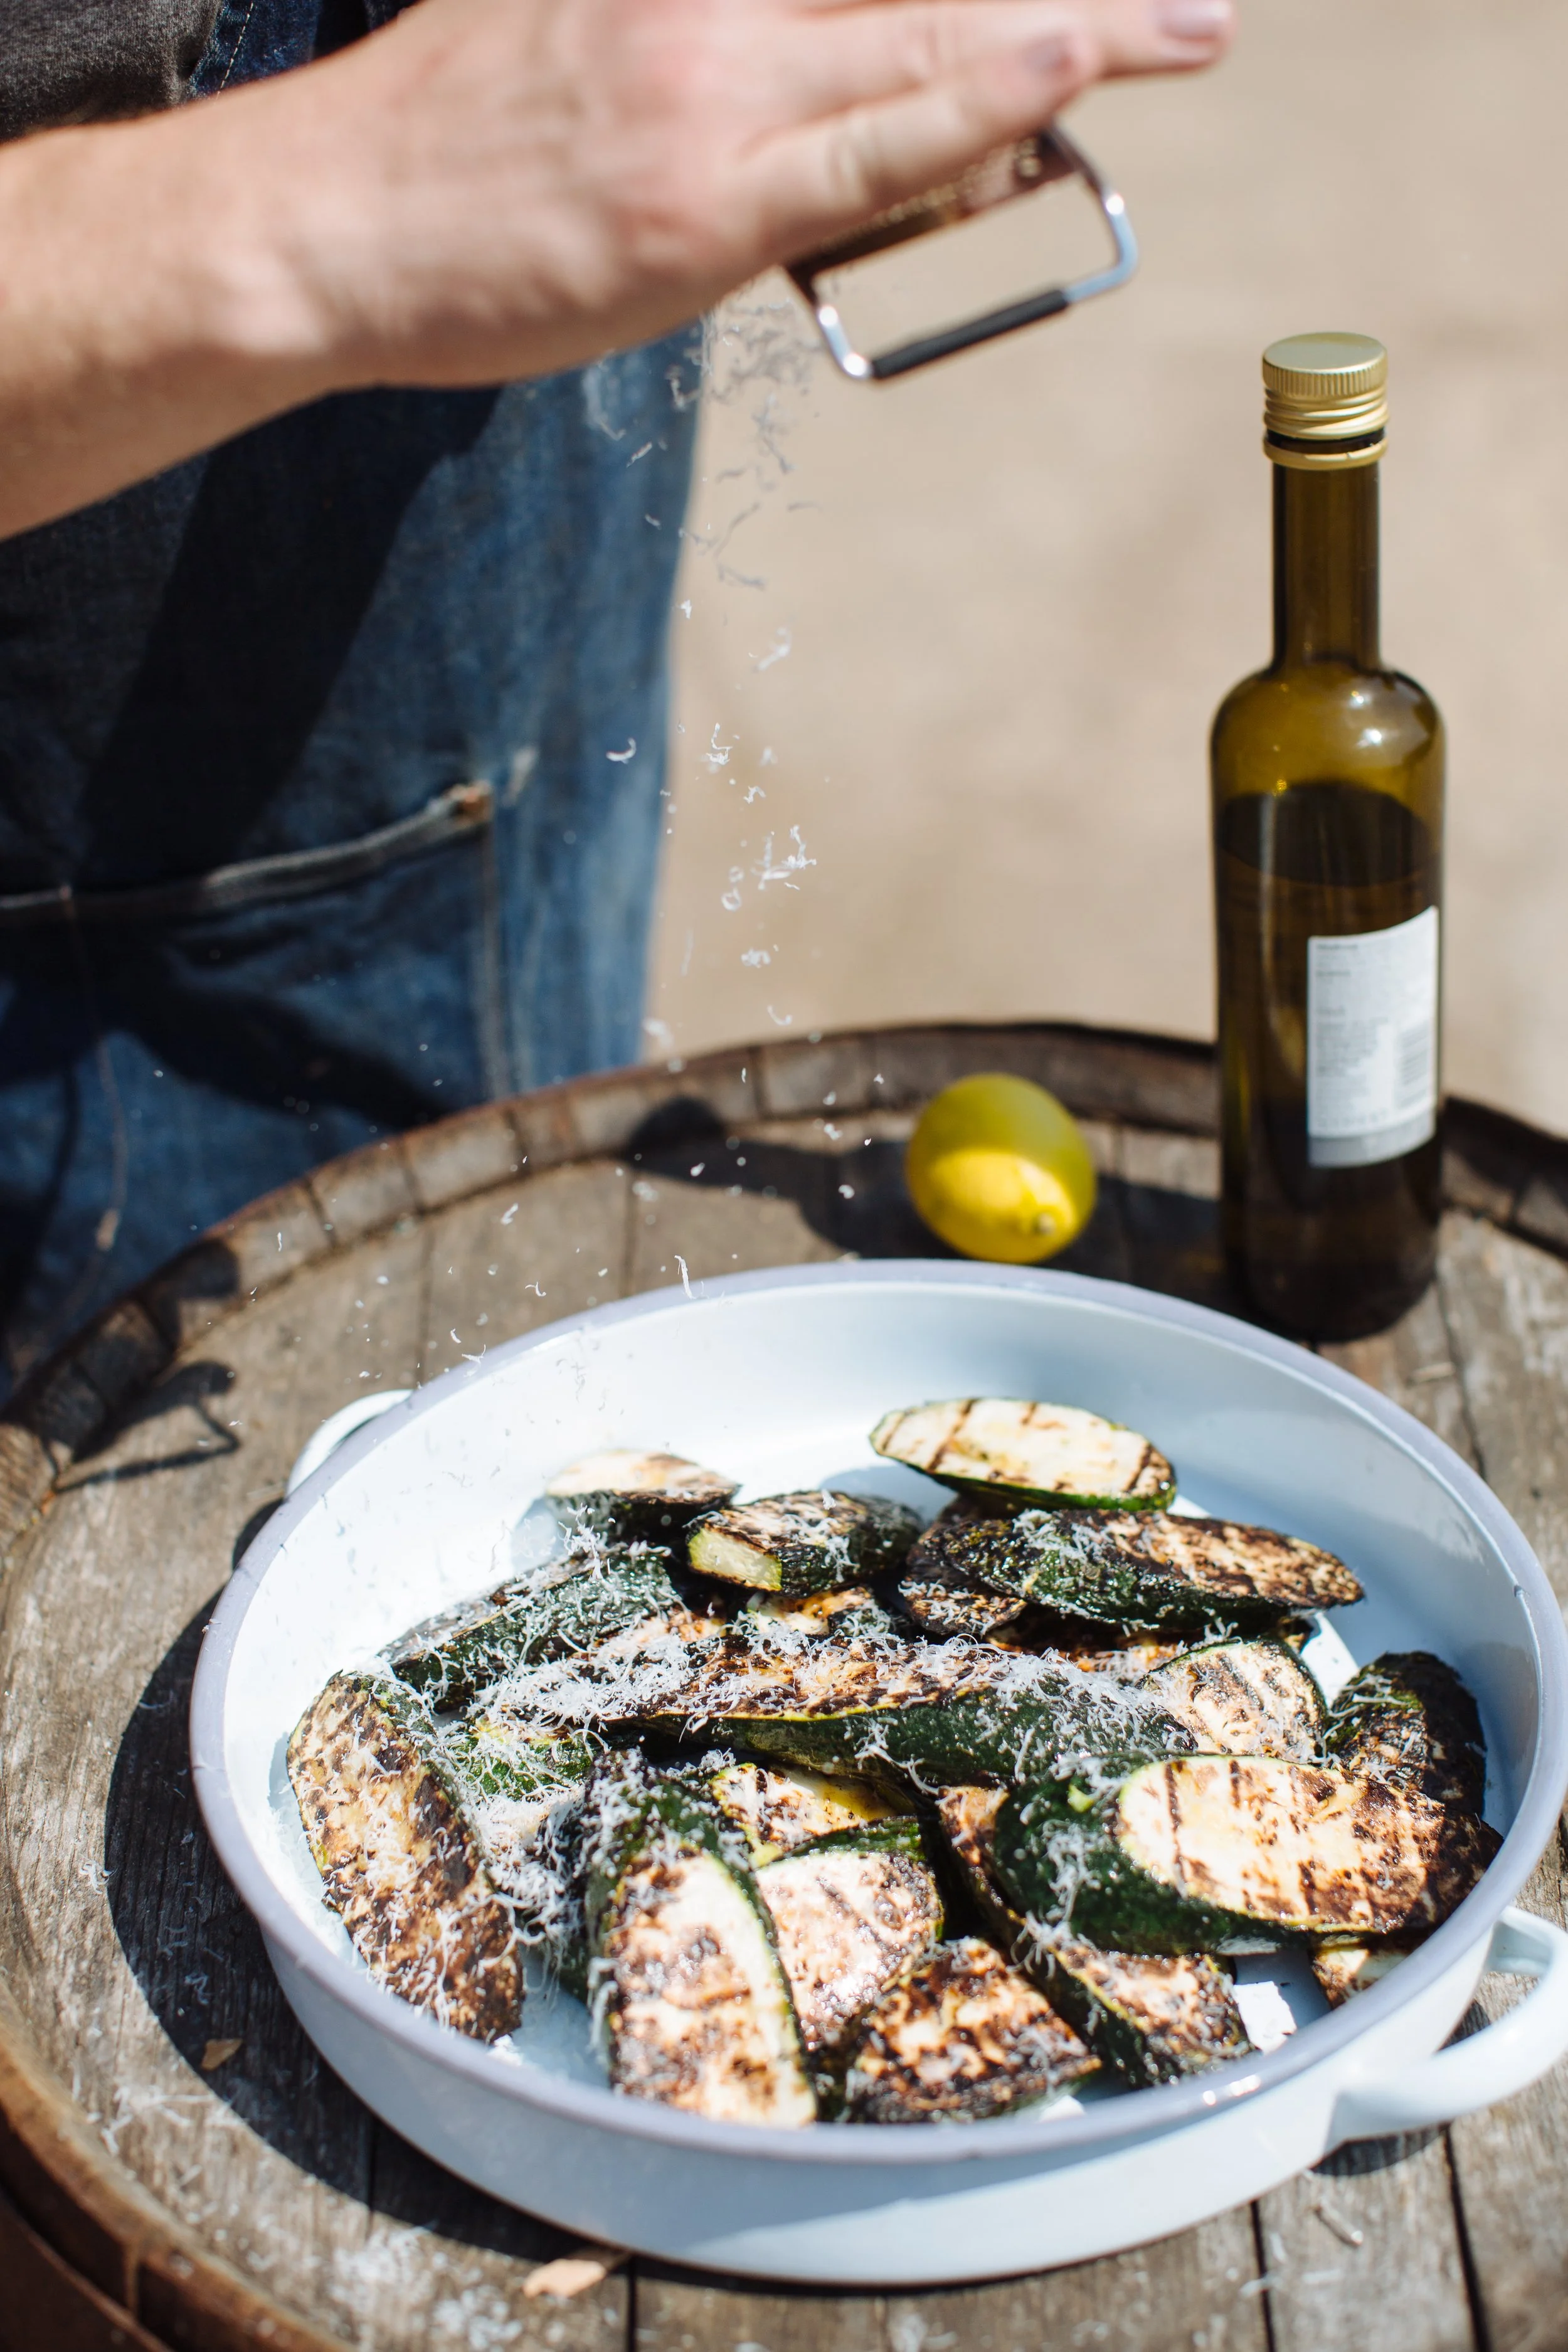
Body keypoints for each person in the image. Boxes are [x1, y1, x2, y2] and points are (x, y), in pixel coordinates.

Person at [0, 0, 1231, 1387]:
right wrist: (333, 196)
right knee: (315, 1383)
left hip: (516, 275)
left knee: (531, 1129)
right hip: (153, 409)